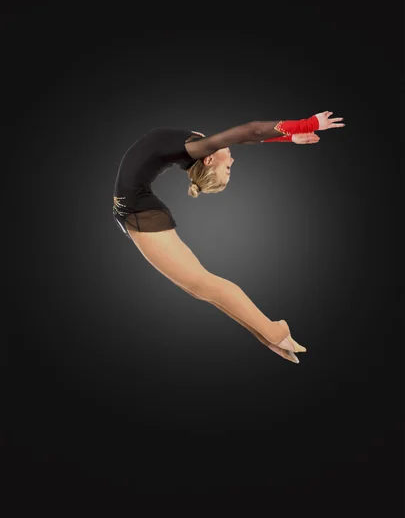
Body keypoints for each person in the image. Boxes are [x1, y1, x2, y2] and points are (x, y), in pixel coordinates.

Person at [113, 111, 345, 363]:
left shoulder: (197, 148)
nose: (232, 163)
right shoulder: (196, 149)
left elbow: (250, 133)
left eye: (227, 169)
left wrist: (303, 128)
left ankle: (271, 332)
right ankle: (270, 334)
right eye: (229, 169)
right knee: (200, 288)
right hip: (134, 210)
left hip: (138, 211)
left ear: (209, 160)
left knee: (203, 285)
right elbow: (247, 136)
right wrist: (297, 132)